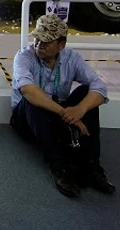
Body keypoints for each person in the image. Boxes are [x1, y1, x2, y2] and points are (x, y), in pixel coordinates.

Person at [10, 13, 114, 199]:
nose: (39, 45)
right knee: (33, 98)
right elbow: (27, 89)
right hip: (28, 118)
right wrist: (65, 113)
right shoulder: (24, 56)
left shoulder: (71, 58)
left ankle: (92, 166)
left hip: (58, 116)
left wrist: (79, 110)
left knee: (85, 91)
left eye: (46, 42)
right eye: (37, 40)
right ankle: (58, 167)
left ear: (61, 45)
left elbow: (99, 87)